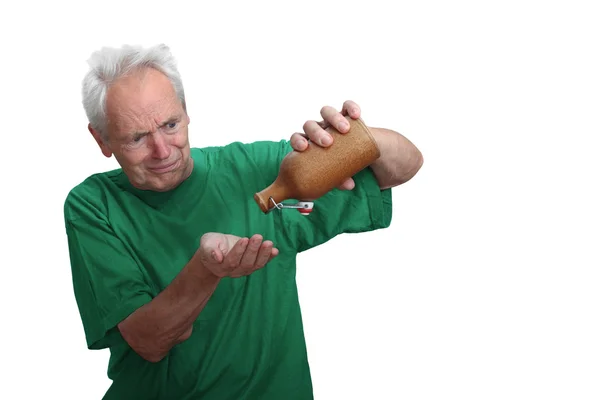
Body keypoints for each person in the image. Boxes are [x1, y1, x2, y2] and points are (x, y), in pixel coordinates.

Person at [64, 43, 423, 400]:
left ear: (187, 113)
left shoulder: (264, 174)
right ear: (102, 139)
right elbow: (149, 341)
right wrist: (207, 269)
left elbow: (402, 168)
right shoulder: (94, 206)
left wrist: (357, 138)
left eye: (170, 124)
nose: (162, 150)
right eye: (137, 138)